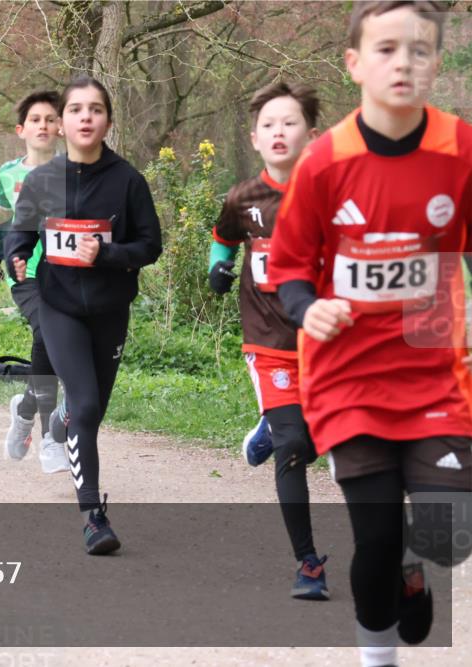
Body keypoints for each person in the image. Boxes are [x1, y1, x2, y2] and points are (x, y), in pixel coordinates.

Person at [268, 3, 472, 665]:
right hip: (347, 378)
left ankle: (420, 559)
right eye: (386, 49)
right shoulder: (326, 162)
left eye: (419, 50)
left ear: (437, 63)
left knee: (451, 533)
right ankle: (375, 656)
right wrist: (308, 309)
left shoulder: (460, 149)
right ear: (355, 63)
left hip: (434, 368)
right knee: (375, 536)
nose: (404, 63)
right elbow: (290, 266)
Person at [5, 76, 162, 555]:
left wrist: (108, 254)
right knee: (87, 407)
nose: (86, 117)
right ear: (62, 123)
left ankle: (65, 421)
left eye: (95, 109)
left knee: (90, 410)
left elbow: (150, 246)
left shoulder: (128, 181)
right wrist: (18, 261)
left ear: (107, 121)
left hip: (110, 310)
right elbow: (19, 237)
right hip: (59, 307)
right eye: (76, 110)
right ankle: (93, 515)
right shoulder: (41, 180)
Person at [208, 81, 330, 600]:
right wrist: (219, 268)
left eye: (290, 122)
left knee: (330, 436)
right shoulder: (244, 198)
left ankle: (267, 433)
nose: (279, 132)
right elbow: (224, 238)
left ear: (312, 135)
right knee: (294, 448)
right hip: (269, 341)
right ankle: (308, 564)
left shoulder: (333, 195)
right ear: (254, 138)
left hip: (328, 344)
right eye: (269, 125)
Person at [0, 90, 68, 473]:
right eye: (36, 120)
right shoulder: (10, 173)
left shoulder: (73, 170)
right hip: (25, 272)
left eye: (50, 119)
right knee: (47, 333)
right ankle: (50, 441)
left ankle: (24, 409)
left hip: (66, 273)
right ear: (21, 129)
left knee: (54, 342)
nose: (43, 125)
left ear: (60, 128)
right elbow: (0, 209)